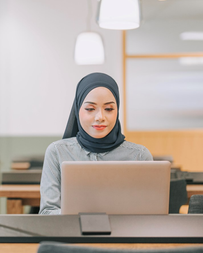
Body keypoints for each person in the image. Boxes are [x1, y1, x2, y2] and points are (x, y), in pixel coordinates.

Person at [39, 72, 152, 215]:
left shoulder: (140, 156)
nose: (100, 117)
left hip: (124, 235)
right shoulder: (57, 152)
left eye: (109, 109)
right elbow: (48, 212)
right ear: (77, 110)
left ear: (117, 111)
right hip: (72, 235)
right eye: (90, 109)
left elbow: (149, 213)